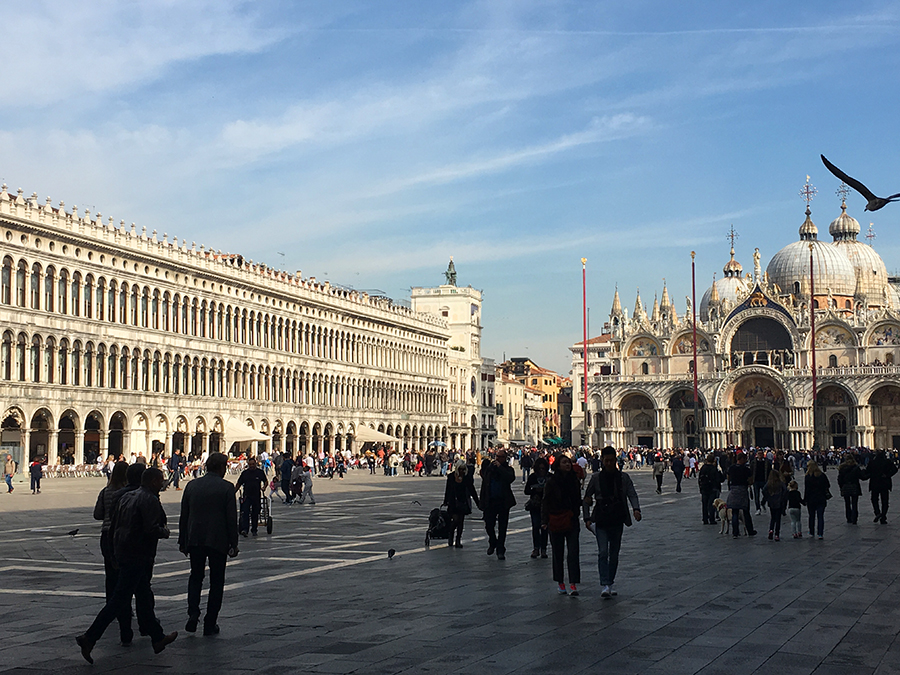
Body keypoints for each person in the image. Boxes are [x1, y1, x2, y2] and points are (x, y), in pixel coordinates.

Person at [76, 468, 177, 664]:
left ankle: (157, 638)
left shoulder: (127, 496)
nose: (163, 484)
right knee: (119, 599)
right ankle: (89, 638)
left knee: (144, 595)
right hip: (137, 554)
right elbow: (151, 528)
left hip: (123, 551)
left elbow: (113, 526)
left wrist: (113, 552)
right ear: (154, 481)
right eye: (161, 480)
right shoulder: (148, 499)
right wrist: (165, 532)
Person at [178, 452, 239, 637]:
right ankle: (210, 623)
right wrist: (233, 543)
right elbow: (231, 518)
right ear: (221, 467)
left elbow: (184, 516)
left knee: (195, 577)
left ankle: (193, 613)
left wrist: (183, 539)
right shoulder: (227, 488)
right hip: (217, 540)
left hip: (195, 538)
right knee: (216, 581)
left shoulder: (191, 485)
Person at [583, 446, 641, 598]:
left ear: (616, 460)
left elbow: (632, 494)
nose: (608, 463)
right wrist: (586, 518)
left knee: (614, 553)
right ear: (602, 460)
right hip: (601, 517)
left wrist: (636, 509)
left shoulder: (623, 477)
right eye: (606, 460)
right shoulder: (596, 478)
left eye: (611, 460)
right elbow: (587, 498)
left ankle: (610, 581)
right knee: (603, 551)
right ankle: (605, 583)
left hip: (617, 517)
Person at [92, 461, 137, 645]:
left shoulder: (105, 491)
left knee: (110, 575)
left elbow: (97, 514)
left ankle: (110, 606)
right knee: (125, 579)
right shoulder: (128, 493)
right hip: (121, 535)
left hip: (105, 536)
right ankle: (122, 611)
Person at [541, 454, 582, 596]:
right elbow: (545, 501)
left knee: (573, 552)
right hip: (556, 518)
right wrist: (544, 521)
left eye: (569, 462)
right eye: (564, 462)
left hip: (571, 519)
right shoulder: (551, 482)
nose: (568, 465)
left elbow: (578, 499)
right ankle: (560, 582)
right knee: (558, 553)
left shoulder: (574, 480)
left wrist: (576, 512)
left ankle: (573, 583)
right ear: (558, 465)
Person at [479, 449, 516, 560]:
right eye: (497, 457)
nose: (498, 459)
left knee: (502, 527)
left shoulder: (508, 469)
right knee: (489, 525)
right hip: (490, 501)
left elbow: (510, 478)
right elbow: (484, 481)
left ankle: (500, 549)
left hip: (503, 501)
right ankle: (493, 541)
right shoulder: (491, 469)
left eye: (500, 457)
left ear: (505, 458)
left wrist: (500, 467)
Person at [443, 459, 480, 548]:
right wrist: (445, 501)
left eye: (463, 469)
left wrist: (478, 502)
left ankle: (458, 540)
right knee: (455, 520)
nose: (462, 471)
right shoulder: (451, 477)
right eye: (460, 469)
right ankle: (451, 534)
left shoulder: (466, 478)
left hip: (462, 501)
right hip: (453, 502)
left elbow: (472, 490)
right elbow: (448, 489)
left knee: (461, 522)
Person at [524, 456, 550, 558]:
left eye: (543, 468)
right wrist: (535, 490)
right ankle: (536, 548)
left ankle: (543, 549)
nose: (541, 470)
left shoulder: (550, 477)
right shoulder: (532, 477)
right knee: (535, 527)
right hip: (535, 505)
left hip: (547, 506)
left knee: (544, 527)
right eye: (539, 469)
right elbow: (526, 490)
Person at [726, 452, 757, 538]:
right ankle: (750, 530)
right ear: (741, 459)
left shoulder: (731, 468)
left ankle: (735, 532)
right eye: (745, 459)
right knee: (746, 512)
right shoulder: (746, 469)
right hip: (743, 490)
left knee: (735, 512)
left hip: (733, 490)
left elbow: (728, 477)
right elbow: (751, 480)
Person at [235, 456, 268, 536]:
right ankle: (245, 530)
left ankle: (254, 529)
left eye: (253, 464)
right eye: (250, 464)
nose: (252, 466)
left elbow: (265, 481)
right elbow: (239, 483)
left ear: (255, 464)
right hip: (247, 495)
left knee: (255, 513)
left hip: (256, 496)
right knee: (245, 512)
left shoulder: (260, 472)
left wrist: (264, 487)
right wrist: (233, 492)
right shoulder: (245, 473)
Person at [867, 450, 897, 524]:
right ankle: (883, 516)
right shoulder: (887, 462)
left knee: (874, 499)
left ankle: (877, 513)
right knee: (885, 501)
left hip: (874, 483)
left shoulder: (872, 462)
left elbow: (867, 471)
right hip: (885, 483)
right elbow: (895, 469)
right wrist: (887, 475)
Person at [804, 460, 831, 539]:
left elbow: (807, 489)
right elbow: (828, 485)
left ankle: (811, 532)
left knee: (811, 516)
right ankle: (820, 533)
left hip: (811, 499)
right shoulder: (822, 475)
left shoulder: (808, 477)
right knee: (820, 516)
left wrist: (805, 499)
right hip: (821, 498)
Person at [837, 454, 866, 525]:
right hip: (854, 486)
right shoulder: (856, 467)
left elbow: (839, 479)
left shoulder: (842, 468)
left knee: (847, 503)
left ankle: (849, 518)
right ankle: (854, 518)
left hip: (845, 486)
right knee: (854, 503)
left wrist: (842, 486)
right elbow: (862, 477)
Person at [698, 453, 725, 524]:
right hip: (713, 489)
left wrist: (700, 487)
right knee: (711, 504)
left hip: (704, 488)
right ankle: (712, 519)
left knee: (704, 504)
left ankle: (705, 519)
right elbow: (720, 479)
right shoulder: (714, 469)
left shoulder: (703, 468)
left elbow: (699, 478)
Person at [765, 469, 788, 541]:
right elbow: (785, 490)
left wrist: (768, 497)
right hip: (779, 502)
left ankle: (771, 530)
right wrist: (782, 497)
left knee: (773, 518)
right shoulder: (780, 483)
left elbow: (763, 490)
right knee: (778, 519)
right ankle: (777, 534)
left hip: (771, 502)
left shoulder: (769, 483)